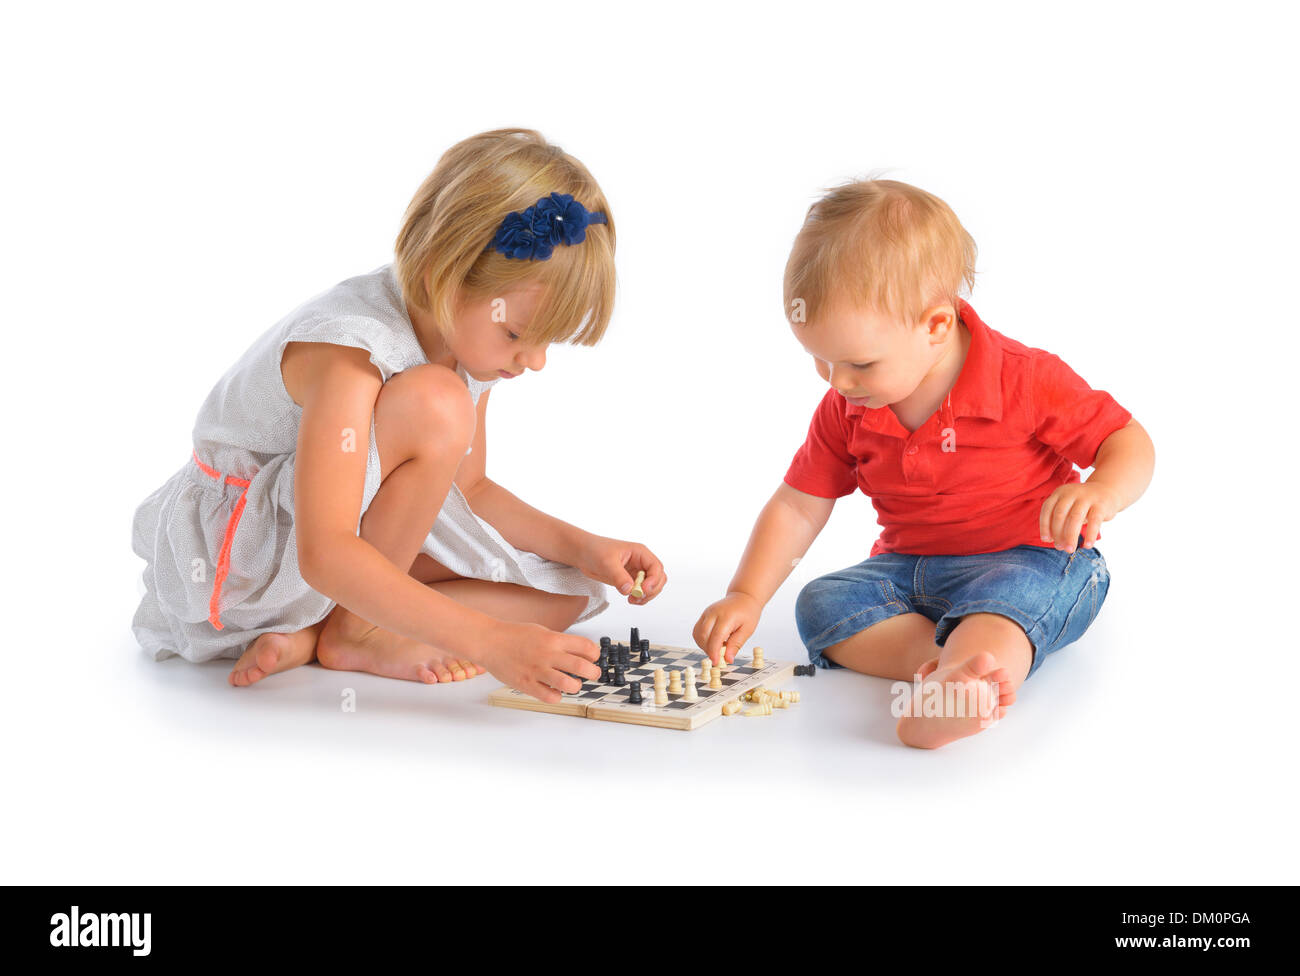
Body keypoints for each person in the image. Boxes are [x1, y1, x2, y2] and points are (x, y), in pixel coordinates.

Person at [131, 128, 665, 704]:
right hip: (244, 558)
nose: (533, 362)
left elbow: (471, 491)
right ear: (443, 275)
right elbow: (327, 550)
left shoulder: (465, 342)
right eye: (516, 334)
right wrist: (491, 643)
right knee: (436, 401)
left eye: (546, 343)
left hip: (328, 536)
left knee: (570, 587)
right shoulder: (350, 352)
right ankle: (355, 631)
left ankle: (318, 632)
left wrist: (586, 547)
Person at [692, 178, 1154, 748]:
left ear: (936, 325)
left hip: (1027, 558)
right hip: (908, 571)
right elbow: (798, 504)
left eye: (858, 362)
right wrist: (747, 593)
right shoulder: (849, 406)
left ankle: (974, 672)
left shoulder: (1023, 378)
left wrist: (1103, 489)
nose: (837, 382)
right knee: (821, 604)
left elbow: (1126, 439)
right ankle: (947, 670)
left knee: (1012, 604)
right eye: (820, 359)